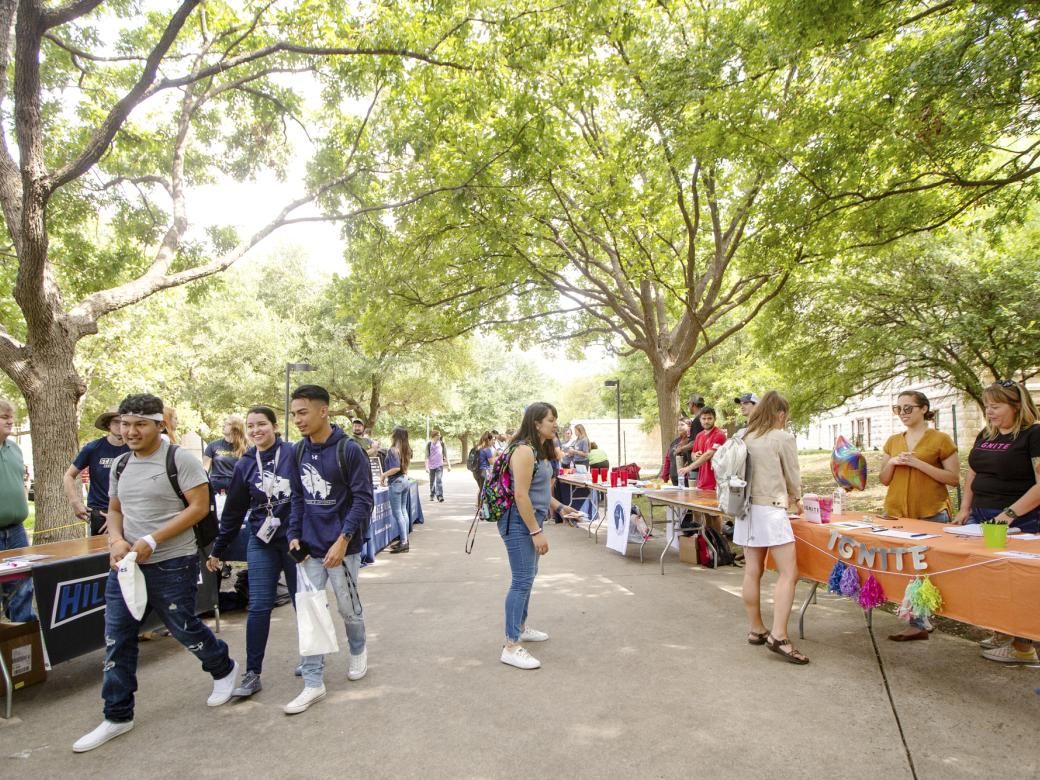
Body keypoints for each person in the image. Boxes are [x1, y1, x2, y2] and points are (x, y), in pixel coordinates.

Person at [73, 394, 238, 753]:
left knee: (183, 627)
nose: (129, 431)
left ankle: (223, 668)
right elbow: (114, 510)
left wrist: (153, 538)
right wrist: (116, 540)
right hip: (128, 565)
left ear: (158, 424)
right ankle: (117, 715)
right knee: (118, 637)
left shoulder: (179, 460)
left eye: (139, 424)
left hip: (172, 562)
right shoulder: (119, 466)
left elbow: (198, 508)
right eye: (124, 423)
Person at [285, 384, 373, 714]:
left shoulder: (349, 450)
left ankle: (358, 649)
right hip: (308, 547)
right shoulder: (297, 451)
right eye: (294, 414)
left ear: (323, 411)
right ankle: (312, 682)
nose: (297, 419)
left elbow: (364, 499)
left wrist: (343, 540)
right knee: (310, 611)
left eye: (302, 412)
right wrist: (294, 534)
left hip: (343, 548)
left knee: (347, 608)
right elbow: (297, 497)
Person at [206, 406, 298, 697]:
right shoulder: (245, 463)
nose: (256, 430)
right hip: (261, 539)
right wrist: (218, 550)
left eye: (262, 424)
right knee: (259, 605)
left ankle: (312, 657)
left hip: (295, 540)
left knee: (303, 601)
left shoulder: (293, 454)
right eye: (251, 426)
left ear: (274, 426)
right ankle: (252, 673)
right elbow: (233, 512)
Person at [953, 380, 1040, 665]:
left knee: (1015, 581)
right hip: (981, 516)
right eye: (987, 405)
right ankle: (1002, 632)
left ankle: (1023, 646)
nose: (989, 411)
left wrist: (1008, 515)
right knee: (989, 578)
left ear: (1017, 406)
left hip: (1021, 520)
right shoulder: (985, 434)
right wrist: (964, 508)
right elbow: (972, 474)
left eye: (996, 406)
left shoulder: (1033, 434)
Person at [497, 402, 583, 670]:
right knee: (521, 580)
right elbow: (521, 495)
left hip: (530, 519)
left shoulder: (539, 450)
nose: (555, 424)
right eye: (550, 420)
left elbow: (539, 491)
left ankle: (520, 628)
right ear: (536, 423)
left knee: (528, 577)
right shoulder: (523, 450)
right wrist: (536, 531)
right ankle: (510, 645)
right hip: (519, 521)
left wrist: (559, 507)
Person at [734, 390, 808, 665]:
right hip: (771, 510)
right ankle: (779, 635)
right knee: (789, 573)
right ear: (780, 414)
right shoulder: (782, 437)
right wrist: (797, 500)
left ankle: (756, 628)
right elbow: (792, 474)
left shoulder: (744, 436)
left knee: (753, 570)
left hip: (745, 510)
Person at [879, 391, 960, 642]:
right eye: (898, 409)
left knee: (928, 568)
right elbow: (883, 479)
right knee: (904, 566)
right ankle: (917, 621)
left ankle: (922, 620)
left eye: (908, 408)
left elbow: (954, 478)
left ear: (924, 409)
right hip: (896, 515)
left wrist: (918, 464)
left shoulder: (940, 439)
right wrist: (892, 463)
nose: (902, 413)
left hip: (930, 514)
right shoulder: (893, 440)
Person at [63, 407, 129, 536]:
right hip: (99, 512)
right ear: (108, 424)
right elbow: (69, 475)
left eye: (124, 422)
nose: (120, 426)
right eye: (116, 421)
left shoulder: (134, 449)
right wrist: (75, 502)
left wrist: (119, 516)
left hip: (127, 512)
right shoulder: (93, 448)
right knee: (99, 553)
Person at [0, 398, 33, 622]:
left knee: (22, 583)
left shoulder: (15, 449)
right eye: (4, 417)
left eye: (11, 416)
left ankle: (22, 632)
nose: (10, 421)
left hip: (16, 531)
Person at [381, 426, 413, 554]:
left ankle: (404, 542)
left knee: (398, 513)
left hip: (396, 482)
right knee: (403, 511)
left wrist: (383, 475)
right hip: (405, 480)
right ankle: (404, 539)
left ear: (395, 435)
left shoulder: (393, 450)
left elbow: (395, 468)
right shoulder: (406, 449)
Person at [682, 407, 727, 490]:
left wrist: (689, 468)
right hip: (701, 483)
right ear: (700, 419)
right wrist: (695, 455)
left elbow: (708, 455)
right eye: (704, 418)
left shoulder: (719, 435)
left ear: (715, 419)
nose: (706, 421)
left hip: (716, 485)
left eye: (709, 418)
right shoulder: (699, 436)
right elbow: (692, 455)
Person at [202, 416, 248, 495]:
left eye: (228, 424)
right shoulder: (212, 445)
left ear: (236, 428)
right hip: (216, 489)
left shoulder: (247, 448)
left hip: (237, 488)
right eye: (224, 423)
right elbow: (204, 470)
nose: (224, 425)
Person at [660, 419, 692, 486]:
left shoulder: (691, 442)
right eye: (678, 425)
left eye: (682, 424)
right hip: (674, 477)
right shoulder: (675, 442)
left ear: (689, 426)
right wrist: (665, 475)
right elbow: (668, 458)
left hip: (687, 477)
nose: (679, 427)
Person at [425, 429, 450, 502]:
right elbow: (426, 456)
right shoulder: (429, 444)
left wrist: (449, 465)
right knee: (432, 481)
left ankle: (440, 496)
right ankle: (432, 495)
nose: (440, 436)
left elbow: (446, 455)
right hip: (431, 465)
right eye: (438, 435)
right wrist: (426, 467)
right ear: (434, 436)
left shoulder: (442, 444)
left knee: (439, 480)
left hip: (439, 465)